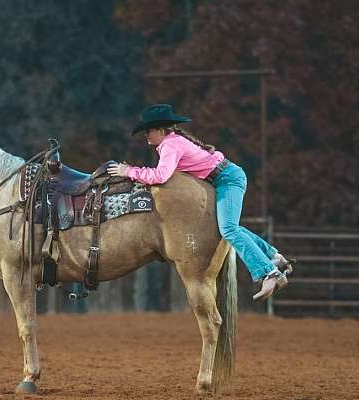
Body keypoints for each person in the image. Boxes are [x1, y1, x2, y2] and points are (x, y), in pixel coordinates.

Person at [107, 103, 292, 301]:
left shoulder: (170, 145)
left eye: (149, 130)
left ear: (161, 130)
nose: (146, 135)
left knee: (228, 229)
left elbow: (161, 176)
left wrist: (128, 172)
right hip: (226, 177)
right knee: (228, 227)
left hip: (227, 179)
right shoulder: (172, 141)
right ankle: (273, 257)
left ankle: (269, 273)